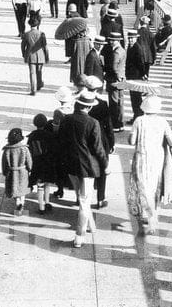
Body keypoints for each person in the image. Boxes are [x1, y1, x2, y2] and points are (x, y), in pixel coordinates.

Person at [58, 90, 109, 248]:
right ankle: (79, 236)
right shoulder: (93, 123)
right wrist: (105, 165)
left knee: (81, 197)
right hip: (88, 167)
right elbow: (98, 148)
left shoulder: (66, 119)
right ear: (89, 108)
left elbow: (61, 141)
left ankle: (91, 225)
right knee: (84, 202)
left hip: (70, 165)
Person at [126, 94, 172, 236]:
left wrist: (132, 136)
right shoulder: (163, 121)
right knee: (155, 187)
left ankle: (149, 216)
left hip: (142, 157)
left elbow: (131, 141)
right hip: (158, 158)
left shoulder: (139, 120)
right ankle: (153, 214)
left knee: (143, 187)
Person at [85, 77, 114, 209]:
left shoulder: (81, 101)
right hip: (101, 138)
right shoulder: (102, 104)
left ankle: (83, 197)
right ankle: (100, 198)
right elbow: (108, 125)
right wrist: (111, 142)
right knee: (103, 166)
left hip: (85, 138)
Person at [27, 113, 57, 214]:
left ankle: (41, 207)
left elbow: (30, 150)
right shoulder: (49, 135)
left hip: (37, 163)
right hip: (48, 163)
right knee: (47, 183)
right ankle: (47, 202)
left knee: (39, 185)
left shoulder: (32, 136)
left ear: (35, 123)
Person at [1, 128, 32, 215]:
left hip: (12, 173)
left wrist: (5, 172)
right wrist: (30, 169)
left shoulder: (7, 150)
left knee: (14, 190)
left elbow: (4, 163)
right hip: (23, 172)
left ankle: (18, 203)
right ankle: (22, 205)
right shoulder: (24, 149)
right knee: (22, 190)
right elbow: (29, 161)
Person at [102, 31, 128, 130]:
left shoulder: (116, 52)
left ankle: (115, 124)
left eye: (112, 40)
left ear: (117, 41)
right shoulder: (122, 50)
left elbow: (114, 67)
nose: (111, 42)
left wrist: (116, 76)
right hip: (121, 79)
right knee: (120, 102)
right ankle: (121, 123)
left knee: (113, 103)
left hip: (114, 80)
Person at [20, 17, 49, 96]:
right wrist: (47, 57)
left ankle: (33, 90)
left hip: (30, 55)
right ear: (38, 24)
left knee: (32, 73)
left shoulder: (26, 34)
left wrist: (24, 54)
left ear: (29, 24)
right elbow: (45, 47)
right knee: (39, 71)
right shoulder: (42, 34)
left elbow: (23, 46)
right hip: (40, 55)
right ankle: (39, 85)